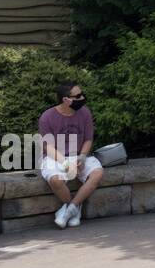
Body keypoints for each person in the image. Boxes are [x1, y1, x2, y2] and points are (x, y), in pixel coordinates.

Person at [38, 82, 105, 229]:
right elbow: (47, 147)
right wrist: (66, 163)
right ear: (65, 100)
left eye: (82, 94)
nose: (82, 98)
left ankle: (70, 209)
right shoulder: (47, 117)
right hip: (55, 156)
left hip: (79, 154)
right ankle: (74, 209)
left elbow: (88, 139)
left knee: (97, 173)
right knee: (55, 180)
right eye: (78, 96)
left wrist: (81, 157)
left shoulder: (85, 112)